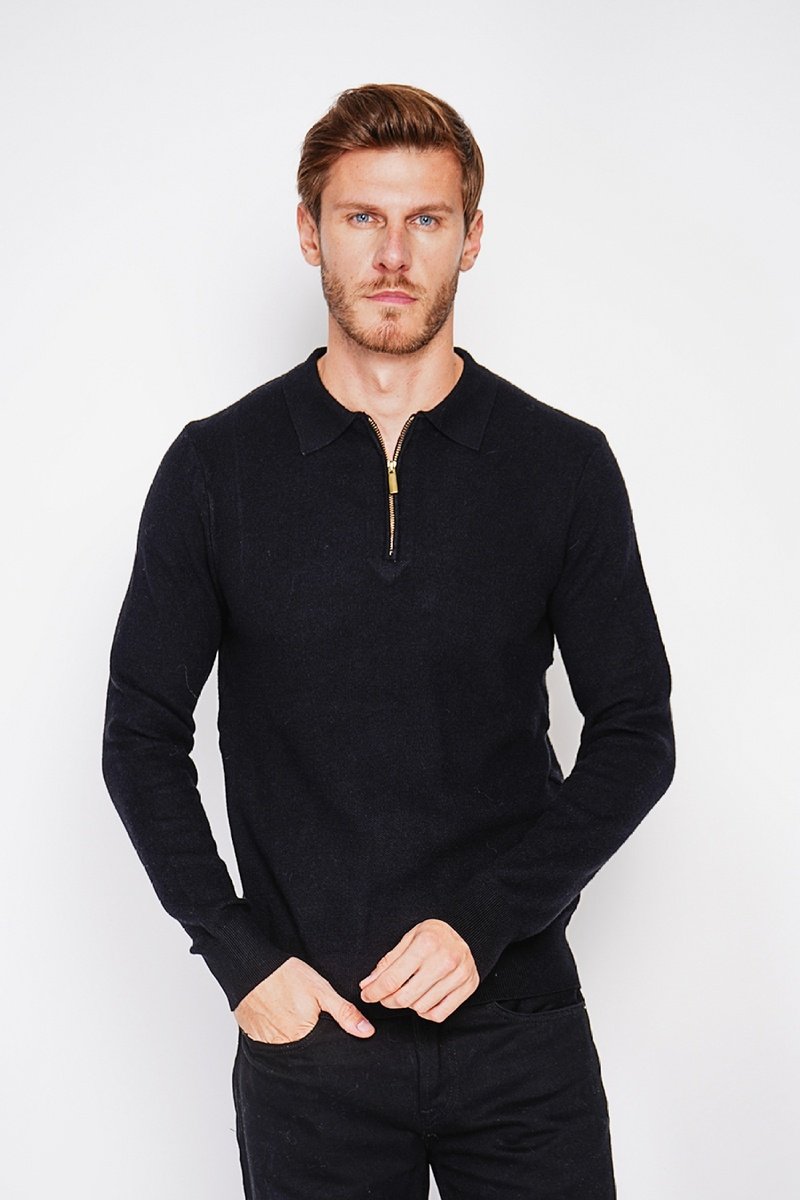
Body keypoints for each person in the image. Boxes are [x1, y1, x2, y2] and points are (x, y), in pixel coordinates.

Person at [102, 83, 675, 1199]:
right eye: (362, 217)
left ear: (472, 237)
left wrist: (486, 923)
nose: (394, 255)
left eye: (426, 219)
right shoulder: (216, 470)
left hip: (519, 1031)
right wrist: (240, 959)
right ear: (310, 231)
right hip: (311, 1038)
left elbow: (636, 733)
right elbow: (140, 735)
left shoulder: (561, 466)